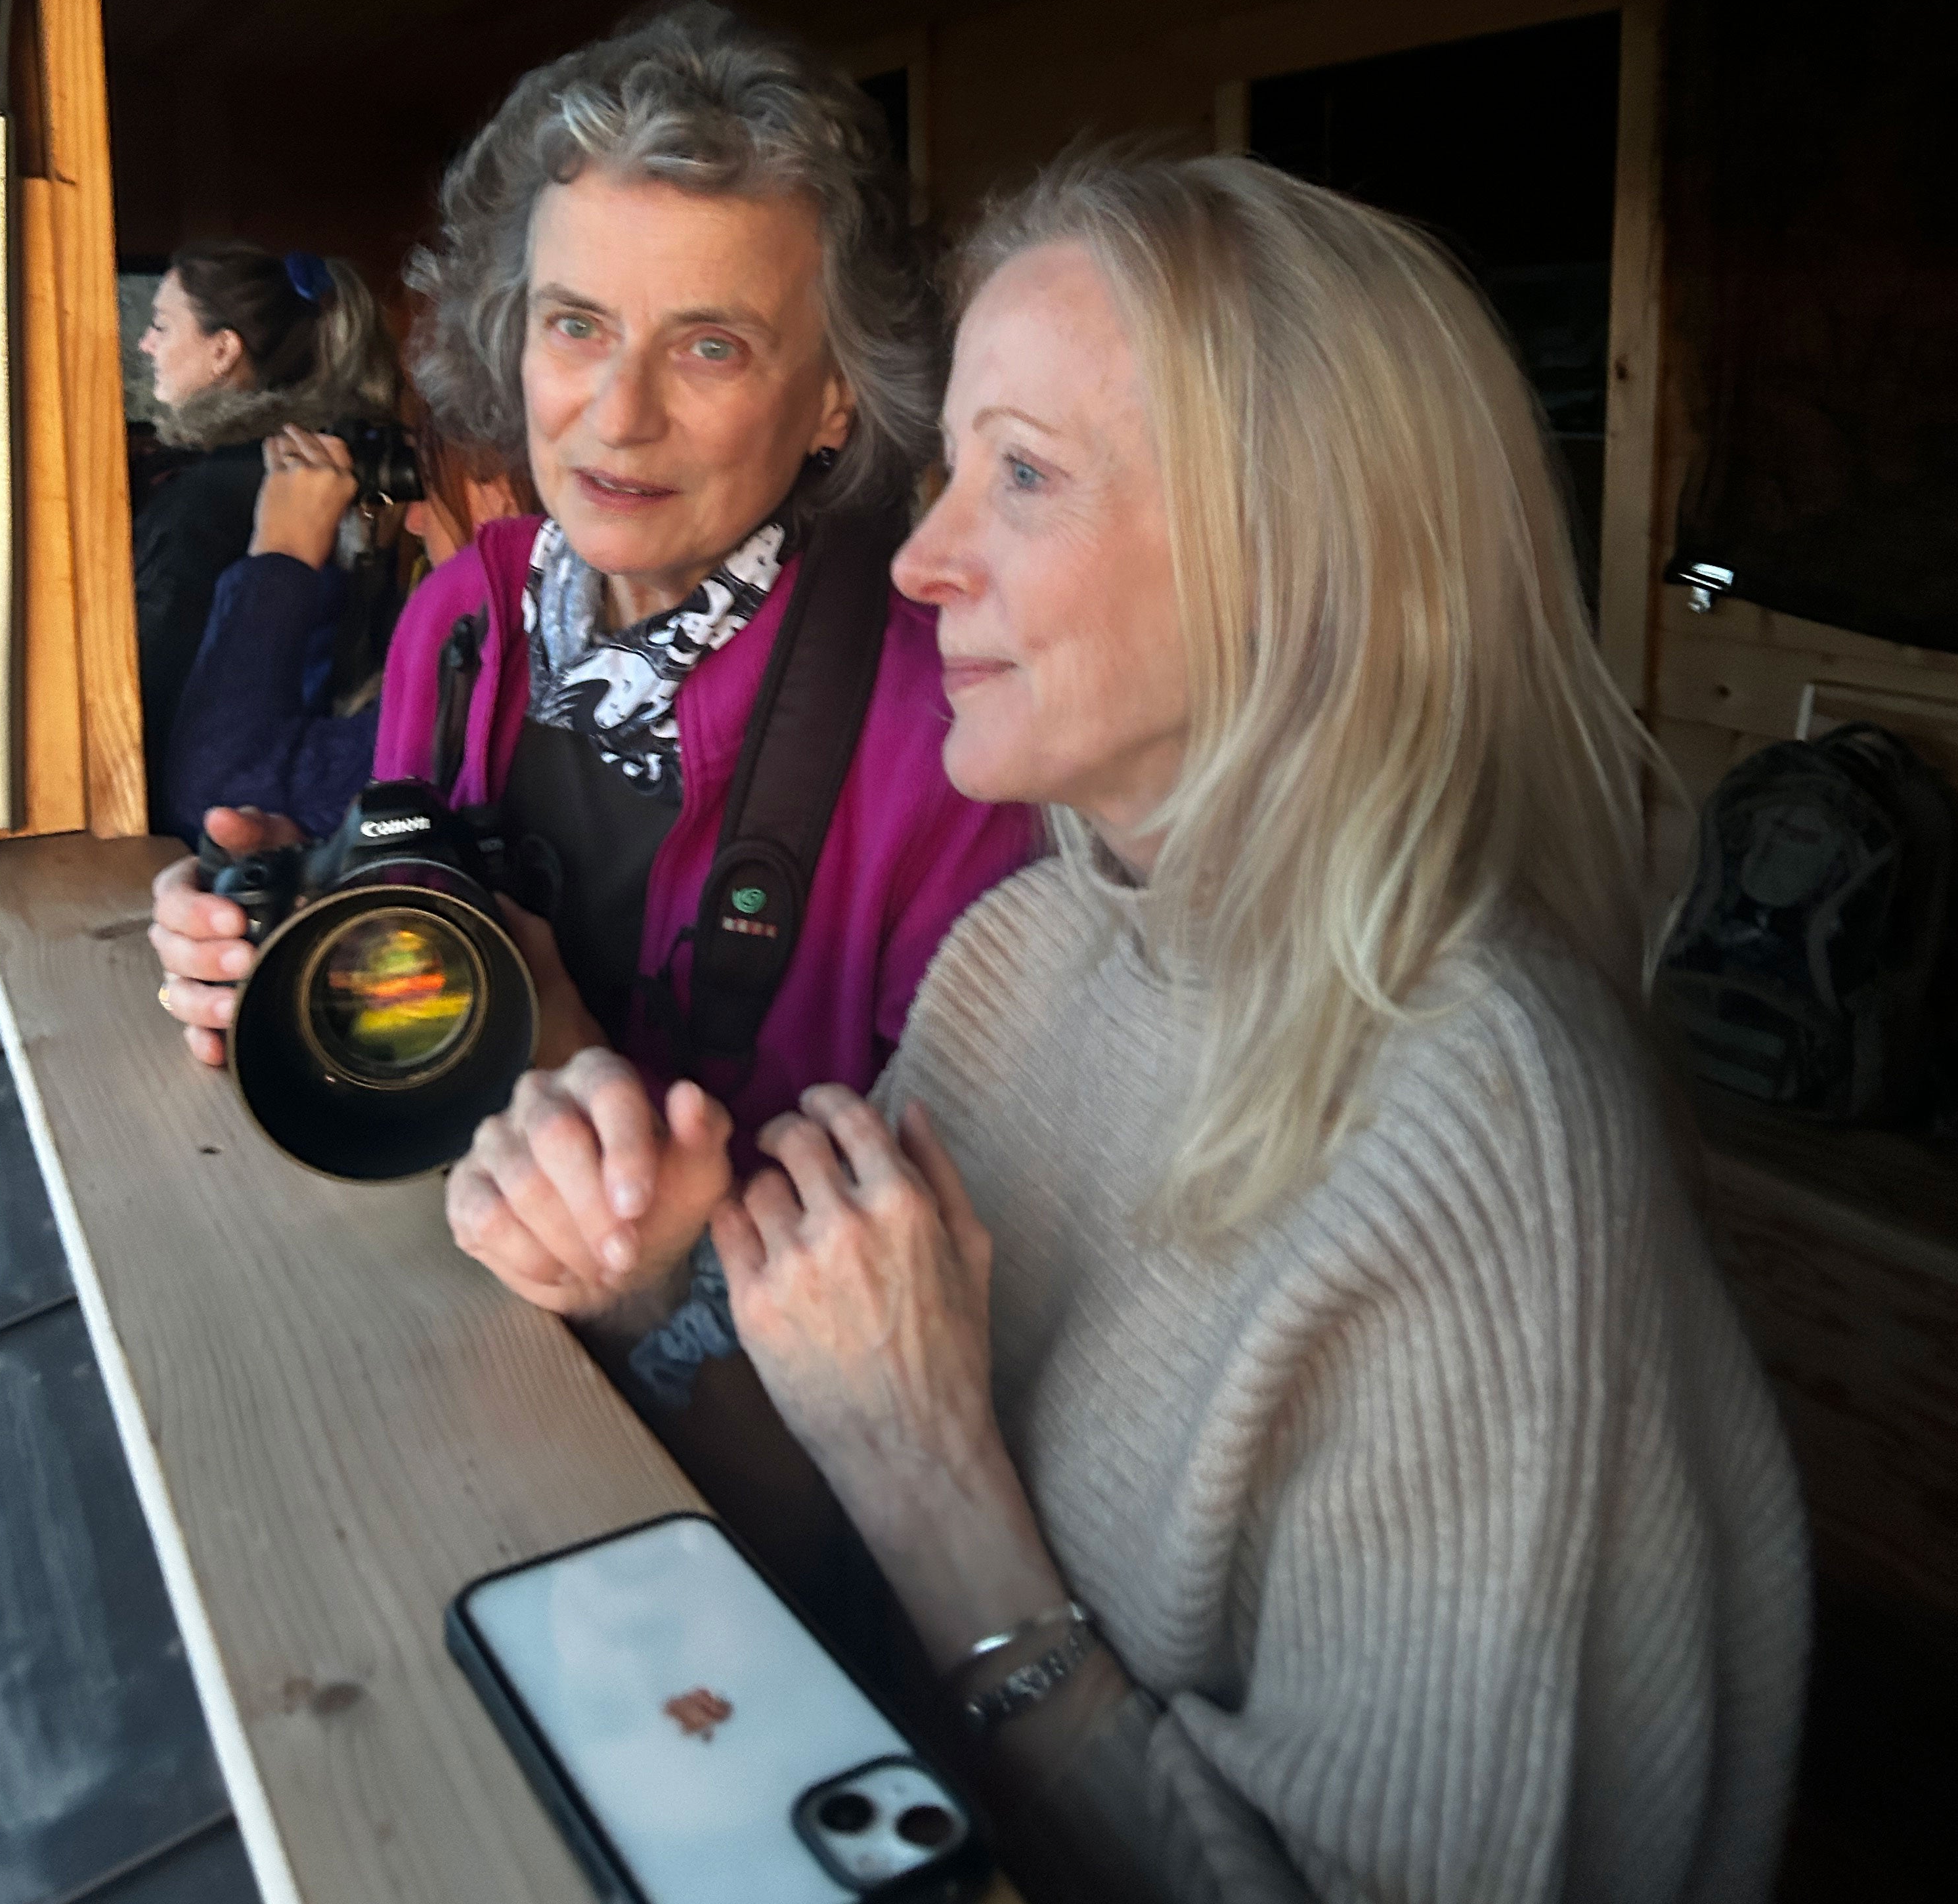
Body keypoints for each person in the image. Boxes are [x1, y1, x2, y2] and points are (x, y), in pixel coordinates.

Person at [467, 150, 1808, 1903]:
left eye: (1021, 474)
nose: (927, 555)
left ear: (1297, 560)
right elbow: (827, 1516)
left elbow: (907, 1498)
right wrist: (652, 1287)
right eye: (952, 466)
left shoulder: (1478, 1122)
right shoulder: (1030, 950)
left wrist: (940, 1488)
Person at [146, 0, 1040, 1196]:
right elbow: (406, 951)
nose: (618, 416)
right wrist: (296, 934)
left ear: (836, 394)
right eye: (575, 325)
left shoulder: (953, 746)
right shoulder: (463, 610)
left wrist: (574, 1063)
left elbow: (927, 1274)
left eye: (708, 345)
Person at [164, 416, 533, 843]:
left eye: (432, 483)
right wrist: (347, 553)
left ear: (501, 490)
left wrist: (283, 554)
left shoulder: (495, 657)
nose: (414, 519)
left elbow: (218, 796)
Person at [133, 244, 400, 831]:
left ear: (224, 351)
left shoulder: (209, 499)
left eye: (160, 325)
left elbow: (144, 696)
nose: (146, 344)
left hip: (207, 820)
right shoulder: (311, 468)